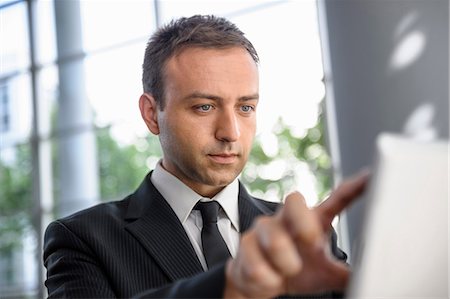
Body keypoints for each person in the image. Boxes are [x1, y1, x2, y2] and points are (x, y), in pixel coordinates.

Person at [43, 15, 368, 299]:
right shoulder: (83, 239)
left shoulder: (307, 236)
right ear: (152, 114)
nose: (231, 132)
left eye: (245, 107)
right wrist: (230, 288)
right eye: (204, 107)